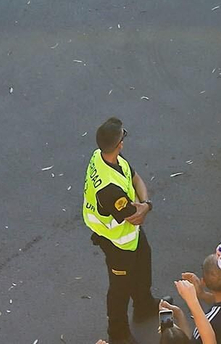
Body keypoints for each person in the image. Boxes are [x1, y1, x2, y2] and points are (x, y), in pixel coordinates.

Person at [83, 117, 159, 344]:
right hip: (116, 240)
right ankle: (117, 332)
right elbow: (135, 218)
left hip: (129, 236)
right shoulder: (110, 190)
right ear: (119, 144)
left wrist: (145, 203)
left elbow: (136, 178)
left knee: (144, 259)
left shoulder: (104, 157)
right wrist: (145, 207)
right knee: (119, 289)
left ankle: (144, 304)